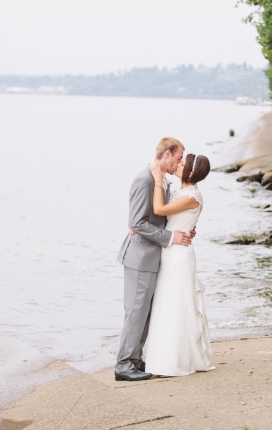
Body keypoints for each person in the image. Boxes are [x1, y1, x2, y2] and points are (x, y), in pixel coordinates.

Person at [114, 137, 193, 382]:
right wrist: (170, 237)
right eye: (179, 158)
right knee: (136, 312)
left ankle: (135, 360)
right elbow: (137, 222)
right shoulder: (145, 179)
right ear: (167, 154)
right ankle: (123, 365)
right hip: (139, 258)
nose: (180, 163)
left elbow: (155, 216)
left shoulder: (160, 181)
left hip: (151, 257)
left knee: (145, 312)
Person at [145, 153, 214, 376]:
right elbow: (168, 220)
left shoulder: (193, 195)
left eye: (182, 164)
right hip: (169, 251)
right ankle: (160, 358)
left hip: (180, 256)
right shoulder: (179, 192)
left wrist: (157, 179)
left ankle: (175, 360)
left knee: (176, 304)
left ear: (191, 172)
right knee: (165, 304)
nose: (177, 165)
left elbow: (160, 210)